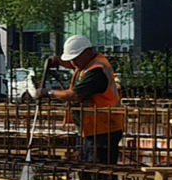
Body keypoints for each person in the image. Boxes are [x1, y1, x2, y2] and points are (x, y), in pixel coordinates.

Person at [49, 34, 125, 165]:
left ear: (88, 52)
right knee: (86, 169)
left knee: (97, 172)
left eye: (75, 58)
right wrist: (59, 62)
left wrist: (48, 92)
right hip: (93, 129)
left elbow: (74, 95)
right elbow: (74, 65)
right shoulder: (88, 63)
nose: (73, 63)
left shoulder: (96, 71)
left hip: (102, 130)